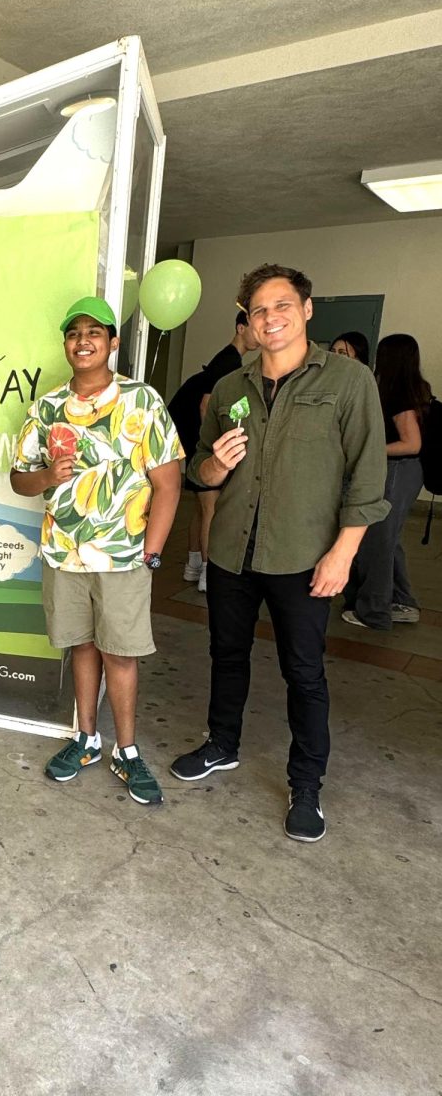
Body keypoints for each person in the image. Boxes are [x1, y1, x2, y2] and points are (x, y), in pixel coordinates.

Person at [169, 263, 388, 843]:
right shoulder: (232, 389)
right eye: (259, 311)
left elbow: (368, 479)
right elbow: (200, 472)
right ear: (248, 321)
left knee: (305, 672)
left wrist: (343, 553)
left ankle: (306, 783)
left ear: (307, 310)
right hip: (232, 550)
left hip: (303, 554)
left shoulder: (347, 382)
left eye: (281, 306)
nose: (271, 318)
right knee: (226, 653)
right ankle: (222, 744)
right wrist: (214, 464)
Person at [11, 296, 183, 804]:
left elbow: (168, 483)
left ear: (113, 342)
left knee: (121, 653)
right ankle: (86, 739)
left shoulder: (142, 401)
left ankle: (127, 751)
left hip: (124, 556)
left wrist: (151, 552)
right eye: (73, 333)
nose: (82, 340)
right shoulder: (46, 408)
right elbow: (20, 480)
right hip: (64, 554)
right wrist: (48, 475)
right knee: (81, 646)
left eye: (94, 332)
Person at [342, 333, 431, 629]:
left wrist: (370, 450)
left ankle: (374, 611)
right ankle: (403, 602)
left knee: (378, 542)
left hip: (398, 470)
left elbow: (411, 443)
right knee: (390, 542)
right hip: (406, 471)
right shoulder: (414, 389)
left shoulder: (399, 394)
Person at [167, 311, 255, 591]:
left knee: (202, 507)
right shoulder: (229, 361)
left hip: (189, 440)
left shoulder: (229, 359)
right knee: (210, 509)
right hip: (197, 444)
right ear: (241, 327)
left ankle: (194, 565)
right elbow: (207, 405)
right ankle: (207, 571)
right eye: (255, 325)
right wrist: (215, 448)